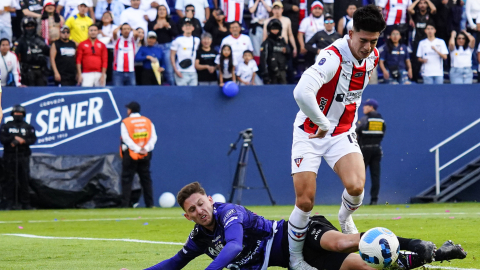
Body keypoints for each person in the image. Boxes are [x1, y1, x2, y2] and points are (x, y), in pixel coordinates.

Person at [133, 181, 467, 270]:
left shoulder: (228, 212)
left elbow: (234, 245)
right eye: (193, 209)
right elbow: (176, 262)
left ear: (209, 199)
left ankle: (416, 242)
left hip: (297, 235)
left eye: (201, 203)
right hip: (295, 262)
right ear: (187, 215)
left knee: (341, 243)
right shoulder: (198, 236)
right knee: (364, 268)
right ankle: (433, 255)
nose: (201, 210)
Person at [288, 5, 386, 270]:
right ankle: (296, 259)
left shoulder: (373, 57)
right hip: (310, 131)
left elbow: (349, 96)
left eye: (373, 41)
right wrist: (321, 121)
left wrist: (338, 122)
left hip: (341, 133)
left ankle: (344, 218)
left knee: (356, 187)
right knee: (305, 200)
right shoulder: (332, 57)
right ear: (350, 33)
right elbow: (301, 92)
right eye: (363, 40)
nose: (367, 46)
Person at [120, 101, 157, 208]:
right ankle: (150, 204)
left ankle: (125, 205)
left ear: (130, 110)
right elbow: (153, 137)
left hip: (131, 154)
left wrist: (137, 149)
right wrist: (145, 148)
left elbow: (126, 138)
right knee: (146, 179)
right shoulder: (147, 121)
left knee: (127, 180)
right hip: (145, 155)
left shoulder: (126, 122)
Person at [0, 105, 37, 210]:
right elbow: (2, 139)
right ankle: (8, 203)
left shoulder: (27, 126)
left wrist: (22, 140)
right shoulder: (6, 126)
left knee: (24, 180)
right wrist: (13, 138)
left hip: (23, 156)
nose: (18, 116)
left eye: (20, 114)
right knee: (8, 180)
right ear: (12, 114)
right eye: (16, 114)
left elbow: (32, 139)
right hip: (9, 156)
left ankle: (25, 203)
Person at [355, 99, 385, 206]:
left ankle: (357, 200)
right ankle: (374, 200)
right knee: (375, 176)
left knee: (360, 175)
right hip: (377, 149)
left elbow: (356, 131)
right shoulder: (381, 120)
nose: (363, 108)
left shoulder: (364, 119)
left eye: (366, 106)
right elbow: (382, 134)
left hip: (364, 149)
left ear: (371, 107)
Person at [148, 4, 178, 86]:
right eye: (160, 9)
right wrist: (154, 29)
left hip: (168, 46)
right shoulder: (152, 23)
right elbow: (149, 36)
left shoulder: (170, 22)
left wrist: (168, 26)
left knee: (169, 70)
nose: (161, 11)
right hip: (156, 47)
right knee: (156, 69)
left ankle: (172, 88)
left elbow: (175, 33)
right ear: (157, 12)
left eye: (163, 10)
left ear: (166, 12)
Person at [408, 0, 436, 83]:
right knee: (416, 60)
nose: (422, 5)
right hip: (417, 40)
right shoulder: (415, 13)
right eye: (421, 3)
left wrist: (427, 0)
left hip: (427, 40)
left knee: (428, 58)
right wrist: (417, 1)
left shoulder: (430, 14)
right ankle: (414, 79)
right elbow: (409, 9)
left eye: (424, 3)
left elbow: (434, 9)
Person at [15, 17, 49, 86]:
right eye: (27, 27)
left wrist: (44, 46)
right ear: (24, 28)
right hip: (28, 71)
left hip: (41, 71)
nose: (30, 28)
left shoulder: (40, 40)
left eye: (32, 26)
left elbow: (48, 53)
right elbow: (15, 56)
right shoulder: (20, 41)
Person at [170, 18, 200, 86]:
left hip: (193, 71)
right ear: (182, 28)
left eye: (189, 26)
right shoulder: (178, 40)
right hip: (181, 70)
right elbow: (172, 55)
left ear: (193, 28)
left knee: (193, 93)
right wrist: (175, 69)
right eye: (186, 26)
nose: (188, 27)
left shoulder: (196, 40)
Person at [260, 19, 289, 85]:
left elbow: (289, 55)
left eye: (277, 29)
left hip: (282, 71)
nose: (275, 31)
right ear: (269, 30)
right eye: (273, 29)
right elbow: (263, 59)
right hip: (271, 72)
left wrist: (287, 51)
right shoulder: (266, 43)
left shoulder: (282, 41)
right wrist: (265, 74)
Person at [97, 11, 118, 84]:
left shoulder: (114, 27)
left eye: (108, 16)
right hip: (99, 50)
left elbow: (113, 38)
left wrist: (102, 34)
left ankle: (109, 82)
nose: (106, 17)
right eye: (104, 16)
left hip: (110, 49)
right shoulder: (98, 27)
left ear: (111, 19)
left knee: (109, 67)